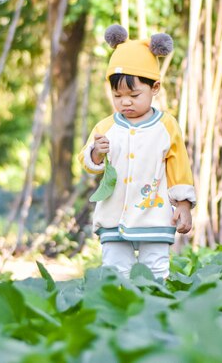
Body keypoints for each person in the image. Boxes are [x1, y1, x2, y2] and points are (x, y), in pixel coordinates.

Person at [78, 24, 196, 279]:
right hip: (113, 215)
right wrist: (96, 153)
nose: (126, 102)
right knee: (114, 271)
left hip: (153, 214)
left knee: (155, 271)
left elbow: (179, 168)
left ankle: (155, 312)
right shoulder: (106, 126)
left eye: (134, 94)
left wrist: (184, 205)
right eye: (118, 95)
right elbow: (88, 162)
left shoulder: (166, 126)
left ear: (154, 88)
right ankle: (118, 313)